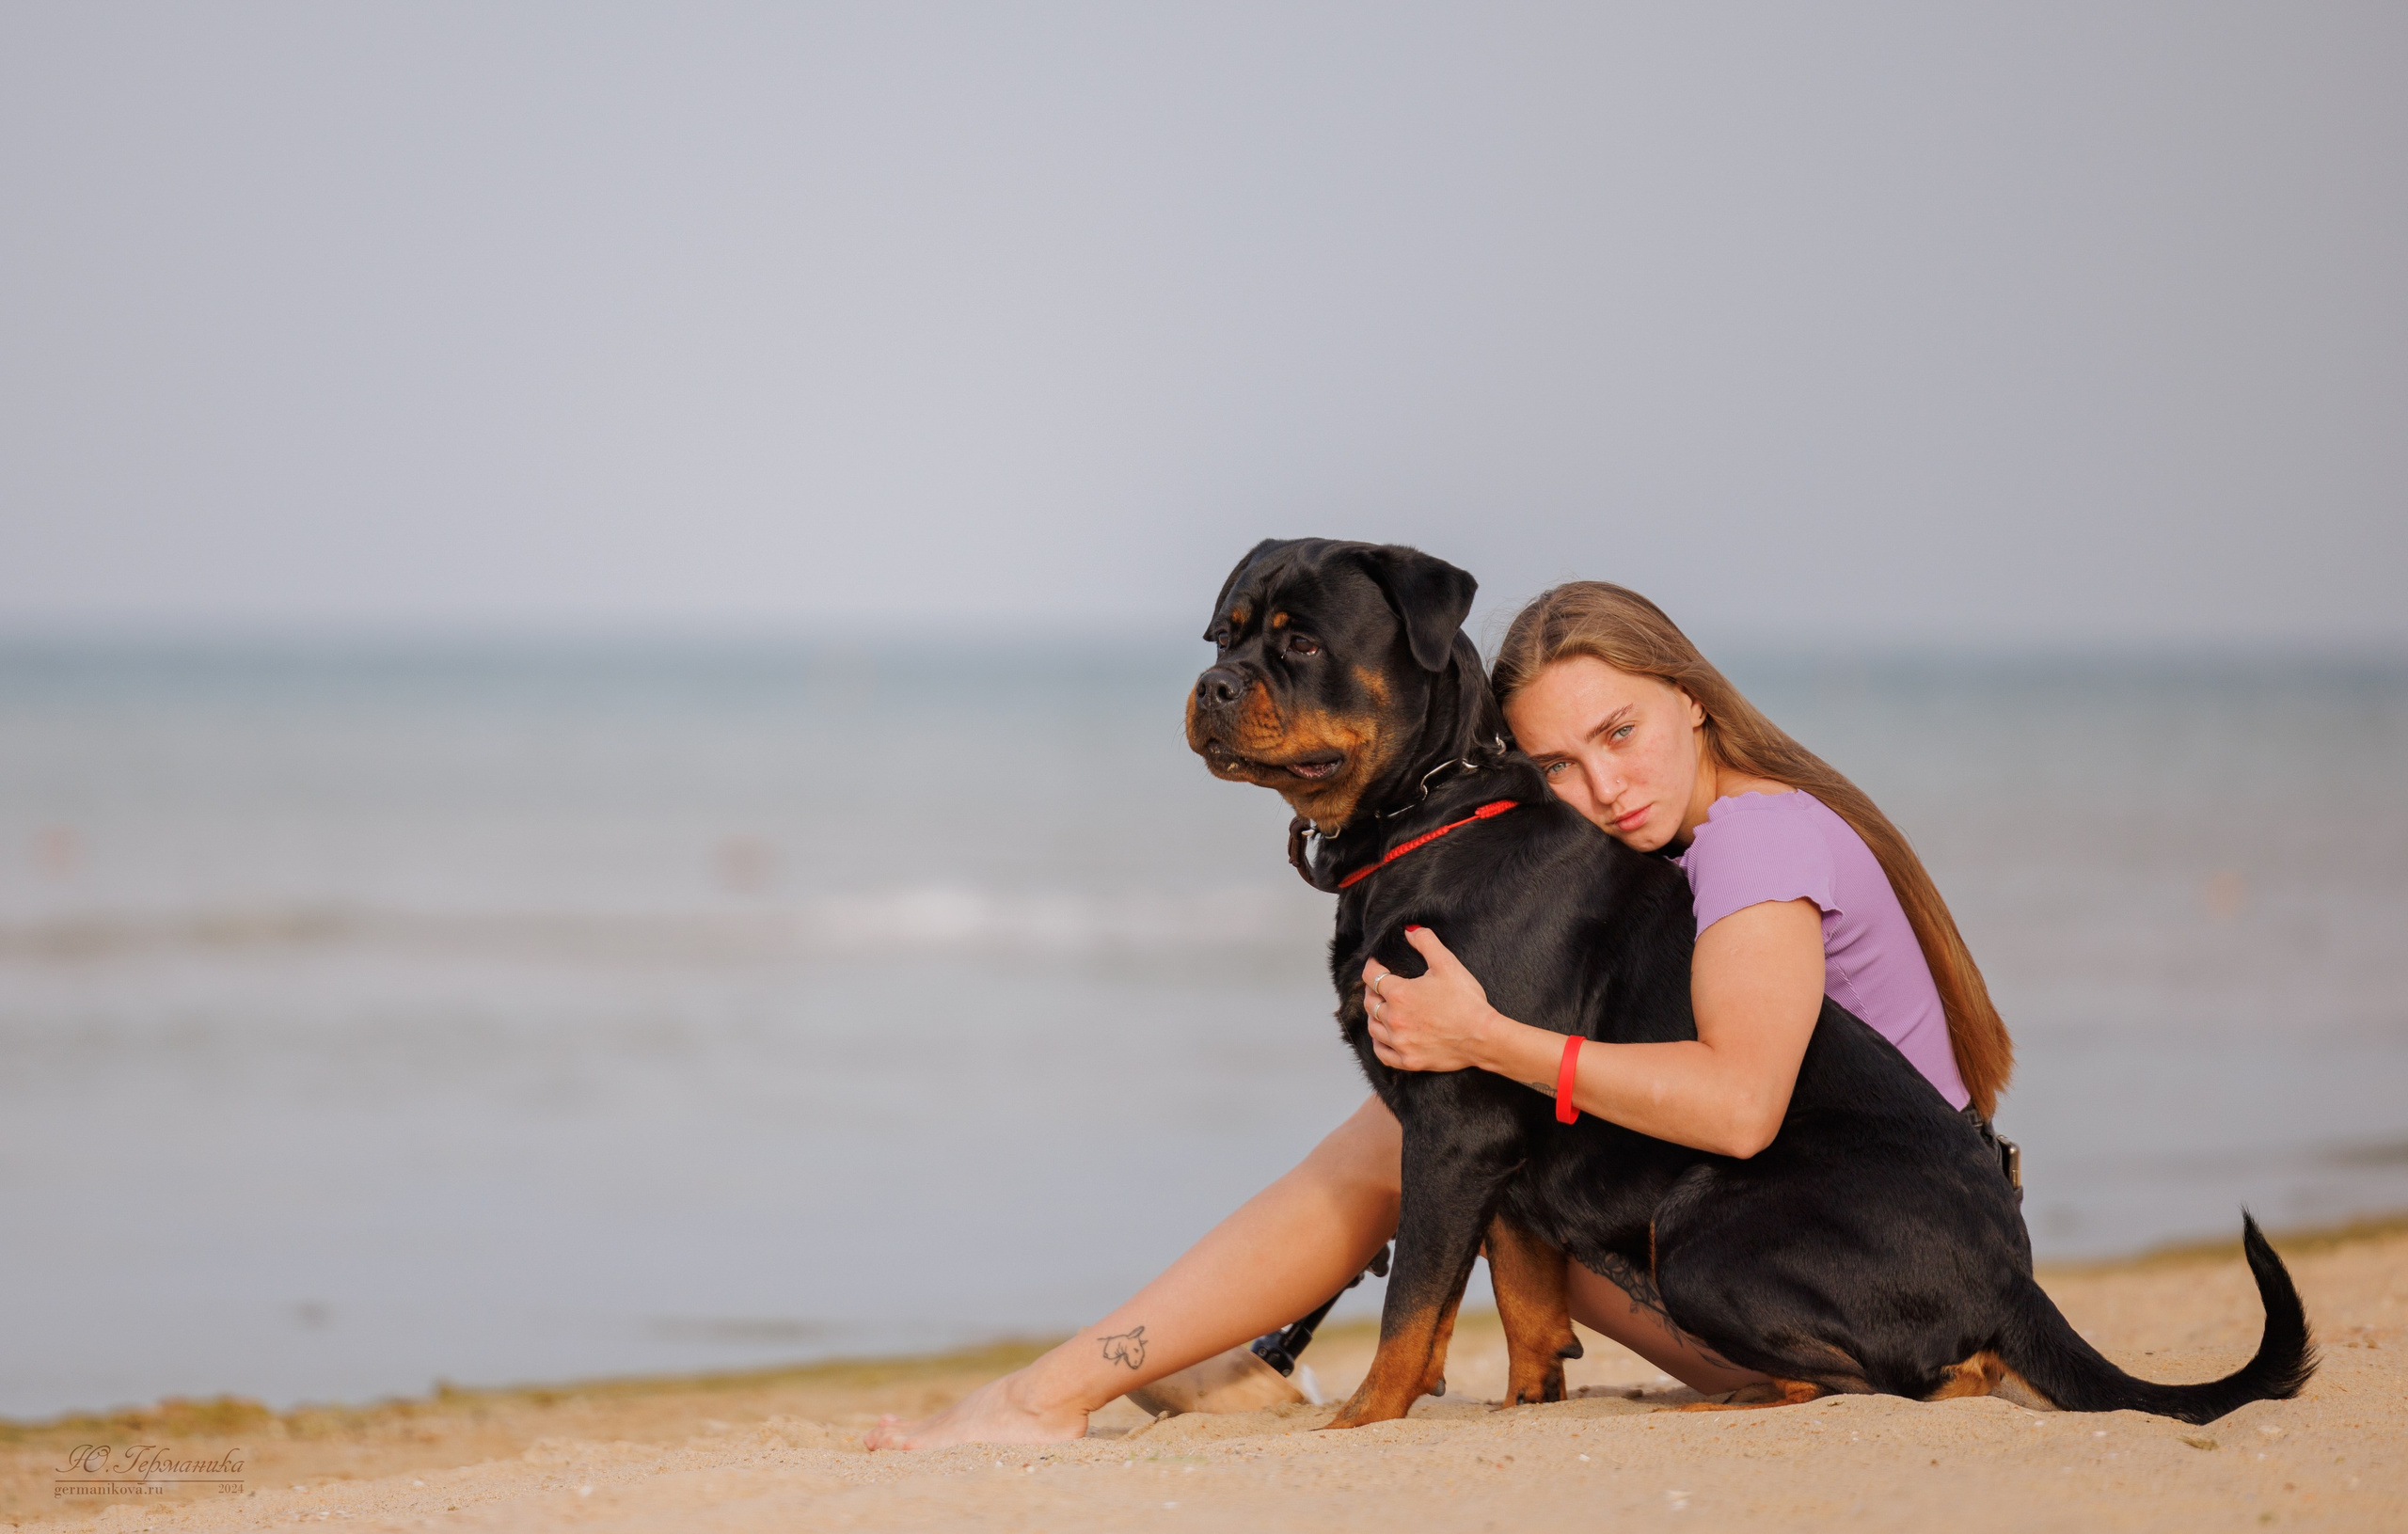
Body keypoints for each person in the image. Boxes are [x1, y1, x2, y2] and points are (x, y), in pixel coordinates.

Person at [866, 581, 2014, 1449]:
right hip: (1876, 1257)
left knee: (1420, 1134)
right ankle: (1166, 1363)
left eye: (1619, 733)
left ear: (1695, 701)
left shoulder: (1754, 844)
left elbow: (1743, 1104)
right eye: (1555, 766)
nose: (1600, 790)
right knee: (1444, 1122)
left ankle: (1058, 1389)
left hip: (1855, 1284)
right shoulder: (1718, 839)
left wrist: (1487, 1038)